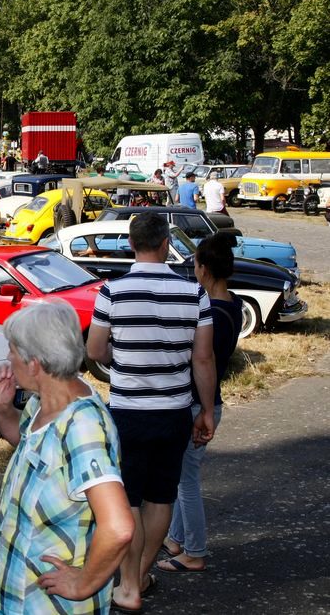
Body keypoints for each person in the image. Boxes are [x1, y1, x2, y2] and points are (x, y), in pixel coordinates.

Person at [87, 212, 216, 613]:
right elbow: (204, 358)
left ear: (131, 244)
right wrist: (206, 411)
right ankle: (141, 574)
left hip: (127, 411)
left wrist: (119, 358)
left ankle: (128, 585)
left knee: (128, 501)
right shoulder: (195, 294)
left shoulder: (112, 292)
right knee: (162, 498)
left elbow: (94, 351)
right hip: (174, 411)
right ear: (165, 245)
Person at [0, 302, 134, 614]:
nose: (8, 358)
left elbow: (119, 526)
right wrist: (2, 409)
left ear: (34, 363)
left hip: (53, 606)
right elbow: (29, 445)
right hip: (20, 597)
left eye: (12, 350)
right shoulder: (44, 403)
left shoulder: (82, 426)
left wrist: (84, 583)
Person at [158, 233, 241, 575]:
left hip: (197, 404)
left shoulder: (213, 314)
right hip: (209, 401)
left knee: (185, 480)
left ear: (204, 269)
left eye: (194, 264)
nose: (192, 269)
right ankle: (176, 539)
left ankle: (194, 550)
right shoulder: (232, 302)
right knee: (183, 474)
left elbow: (199, 360)